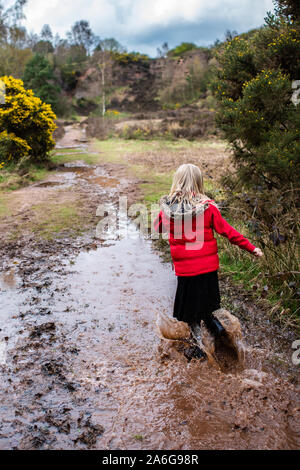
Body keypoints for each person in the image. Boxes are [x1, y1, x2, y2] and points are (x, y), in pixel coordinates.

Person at [154, 164, 263, 360]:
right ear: (199, 182)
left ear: (176, 182)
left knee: (189, 316)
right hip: (207, 271)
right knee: (207, 307)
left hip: (186, 273)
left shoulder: (169, 210)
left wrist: (165, 208)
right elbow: (229, 232)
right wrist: (251, 248)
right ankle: (221, 333)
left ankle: (200, 349)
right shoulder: (208, 208)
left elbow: (158, 227)